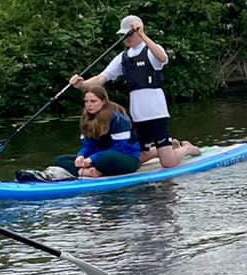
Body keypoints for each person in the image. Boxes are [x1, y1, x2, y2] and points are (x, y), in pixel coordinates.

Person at [74, 15, 202, 170]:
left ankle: (186, 148)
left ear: (138, 31)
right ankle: (167, 148)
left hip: (156, 112)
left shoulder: (150, 51)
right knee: (137, 157)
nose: (126, 38)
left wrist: (143, 35)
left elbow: (163, 57)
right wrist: (81, 84)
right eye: (124, 35)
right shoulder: (123, 58)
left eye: (129, 34)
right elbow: (101, 78)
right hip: (137, 115)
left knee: (168, 164)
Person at [60, 87, 141, 178]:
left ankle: (91, 171)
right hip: (97, 158)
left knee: (108, 158)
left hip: (124, 157)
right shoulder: (86, 119)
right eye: (86, 101)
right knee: (61, 160)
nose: (89, 105)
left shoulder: (118, 119)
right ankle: (88, 172)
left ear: (103, 102)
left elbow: (120, 148)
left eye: (93, 101)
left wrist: (92, 159)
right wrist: (81, 156)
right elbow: (88, 146)